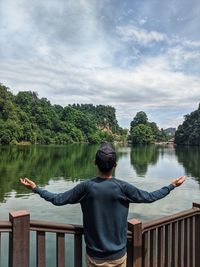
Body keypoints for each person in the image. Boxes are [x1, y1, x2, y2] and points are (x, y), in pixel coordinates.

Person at [20, 142, 185, 267]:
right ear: (115, 165)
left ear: (94, 162)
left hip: (94, 258)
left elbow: (58, 199)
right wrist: (171, 186)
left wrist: (36, 188)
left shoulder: (86, 187)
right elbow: (149, 197)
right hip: (118, 257)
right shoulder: (123, 187)